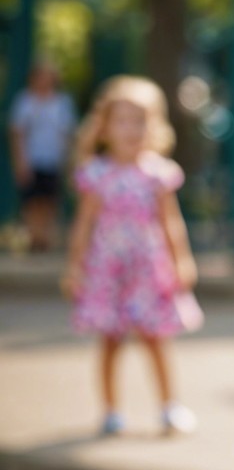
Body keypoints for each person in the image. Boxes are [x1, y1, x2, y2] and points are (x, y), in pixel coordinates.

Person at [63, 75, 202, 436]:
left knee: (155, 338)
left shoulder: (158, 174)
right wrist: (74, 266)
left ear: (154, 126)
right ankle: (110, 410)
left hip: (146, 270)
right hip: (109, 270)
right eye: (122, 121)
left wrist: (181, 260)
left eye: (140, 120)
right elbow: (83, 226)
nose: (131, 129)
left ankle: (169, 405)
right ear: (104, 127)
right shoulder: (97, 175)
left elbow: (171, 223)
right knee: (110, 340)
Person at [7, 60, 77, 252]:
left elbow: (68, 134)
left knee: (49, 200)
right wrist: (20, 161)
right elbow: (17, 134)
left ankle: (44, 237)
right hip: (32, 159)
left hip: (54, 160)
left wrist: (69, 160)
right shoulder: (25, 101)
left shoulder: (63, 103)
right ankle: (34, 237)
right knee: (32, 200)